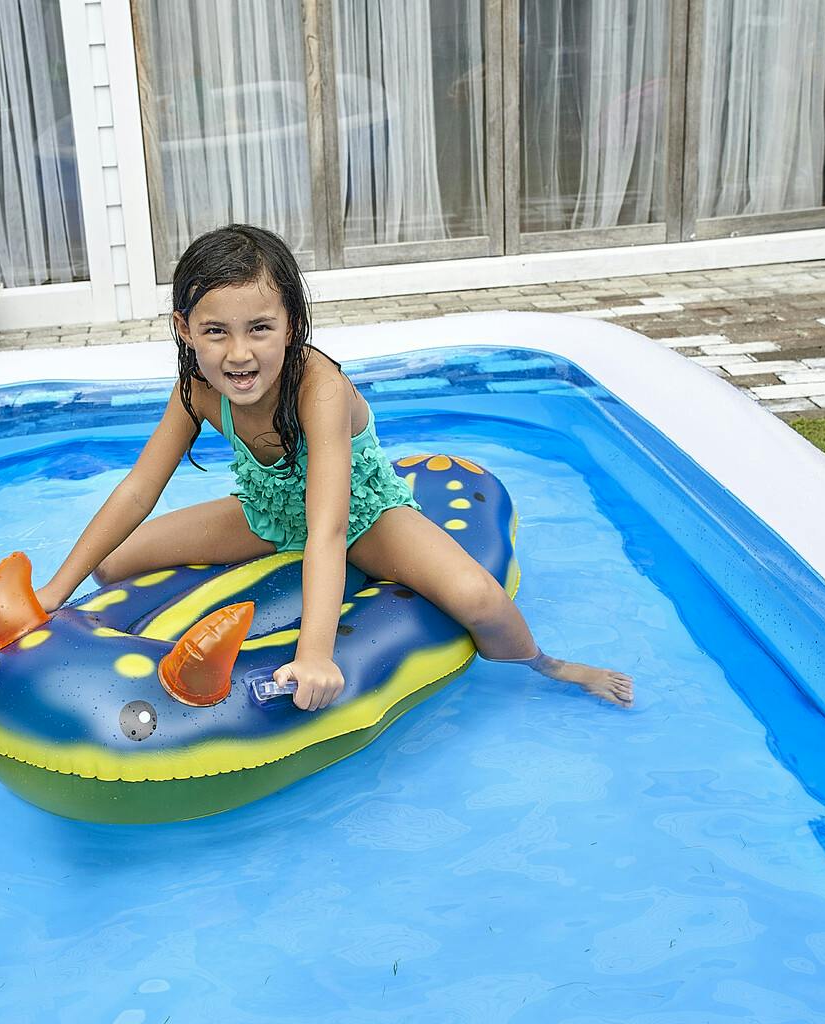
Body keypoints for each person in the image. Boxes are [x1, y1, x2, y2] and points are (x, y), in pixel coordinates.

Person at [33, 224, 634, 711]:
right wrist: (55, 592)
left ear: (292, 326)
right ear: (183, 329)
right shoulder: (196, 388)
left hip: (362, 518)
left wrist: (314, 654)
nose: (239, 353)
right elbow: (138, 489)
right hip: (270, 515)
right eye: (215, 331)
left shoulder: (317, 388)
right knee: (114, 563)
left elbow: (328, 528)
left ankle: (551, 666)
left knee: (479, 600)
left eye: (259, 329)